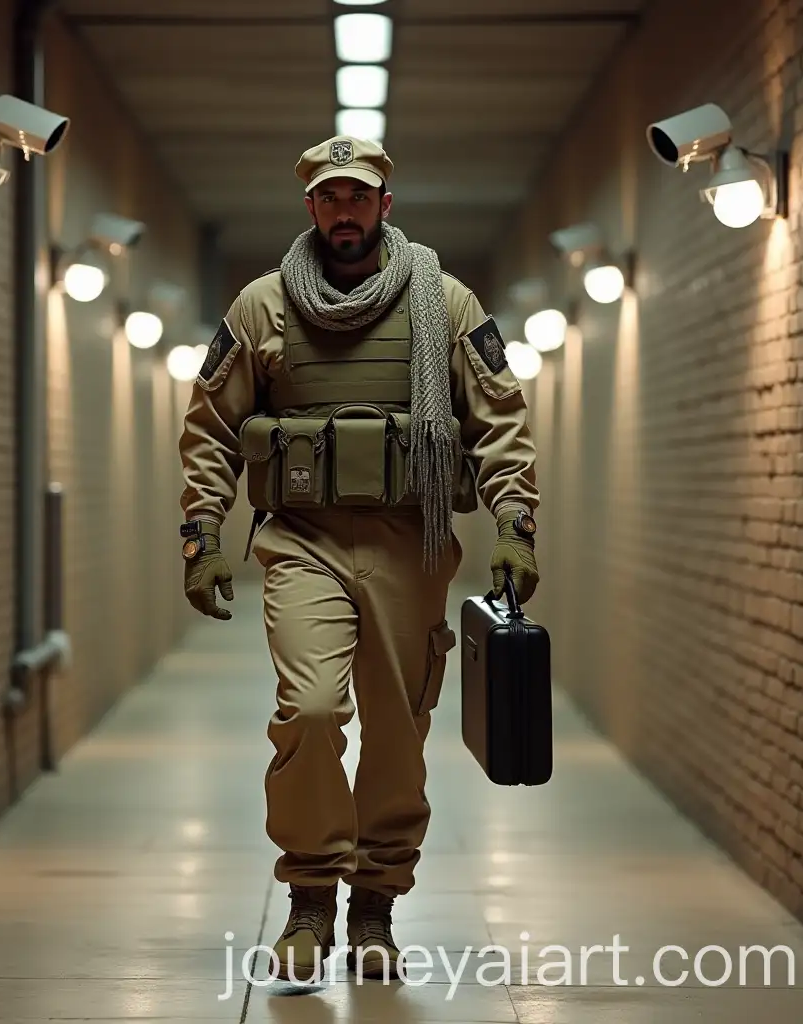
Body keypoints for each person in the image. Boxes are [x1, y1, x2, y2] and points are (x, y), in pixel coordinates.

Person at [177, 135, 540, 982]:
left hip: (408, 542)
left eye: (360, 195)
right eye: (330, 197)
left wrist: (516, 523)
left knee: (397, 731)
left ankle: (374, 905)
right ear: (311, 208)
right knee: (308, 709)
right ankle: (310, 896)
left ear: (385, 203)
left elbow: (499, 418)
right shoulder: (263, 308)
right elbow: (212, 427)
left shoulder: (444, 303)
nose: (346, 210)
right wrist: (201, 535)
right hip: (300, 540)